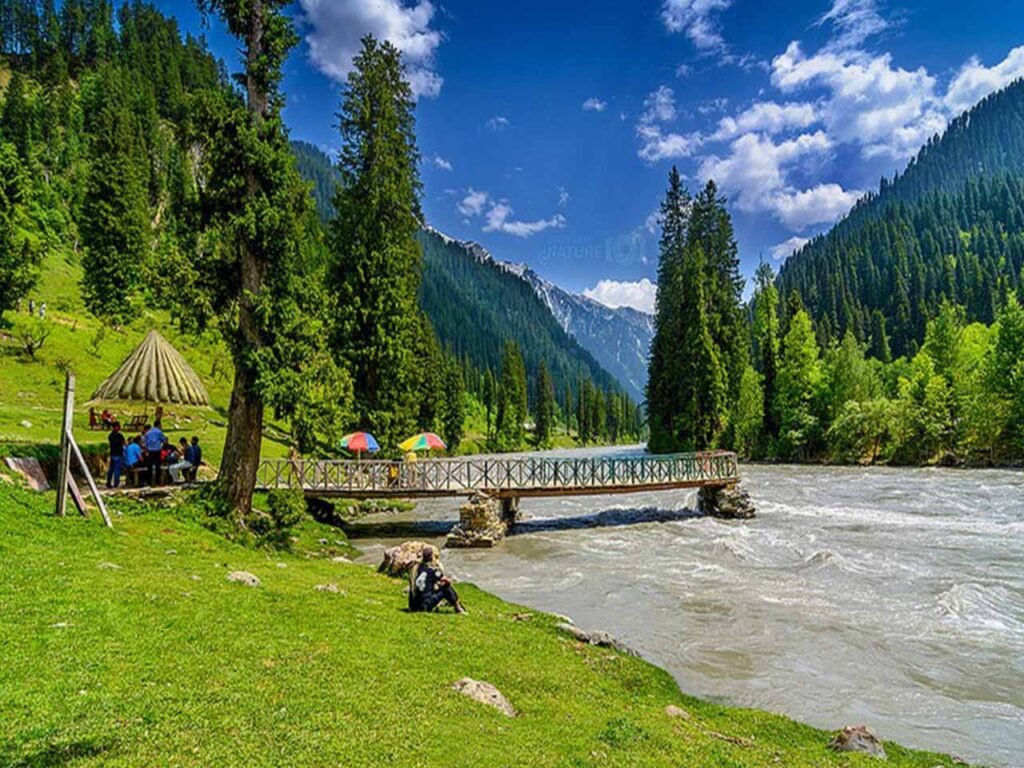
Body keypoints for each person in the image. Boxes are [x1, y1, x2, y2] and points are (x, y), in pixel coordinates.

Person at [409, 546, 466, 614]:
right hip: (425, 605)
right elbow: (447, 581)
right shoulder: (433, 571)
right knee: (446, 588)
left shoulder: (416, 569)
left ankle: (454, 605)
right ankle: (458, 607)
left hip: (413, 605)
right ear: (432, 558)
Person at [143, 421, 166, 485]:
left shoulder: (148, 433)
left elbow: (145, 443)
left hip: (150, 451)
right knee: (157, 466)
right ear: (158, 425)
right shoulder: (159, 432)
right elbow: (163, 440)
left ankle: (150, 482)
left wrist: (146, 450)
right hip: (157, 451)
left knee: (149, 467)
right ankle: (157, 481)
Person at [106, 422, 126, 489]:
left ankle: (108, 482)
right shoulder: (120, 435)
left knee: (111, 469)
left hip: (112, 454)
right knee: (117, 469)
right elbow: (124, 443)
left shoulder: (110, 435)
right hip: (118, 454)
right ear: (116, 427)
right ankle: (116, 483)